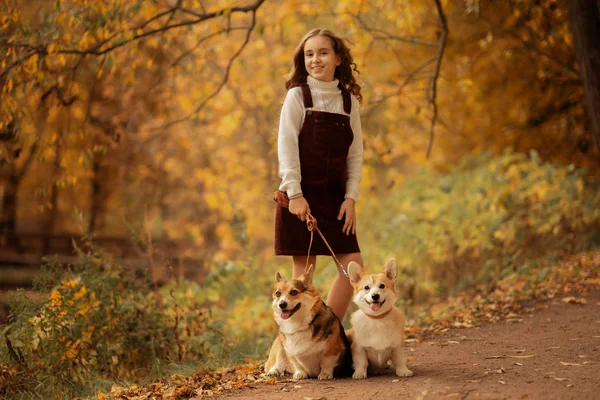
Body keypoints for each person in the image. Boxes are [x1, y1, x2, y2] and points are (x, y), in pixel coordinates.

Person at [274, 28, 364, 322]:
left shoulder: (349, 102)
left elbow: (355, 155)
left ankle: (329, 337)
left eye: (323, 53)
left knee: (352, 268)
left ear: (338, 59)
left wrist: (350, 198)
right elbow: (286, 146)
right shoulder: (297, 96)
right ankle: (299, 349)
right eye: (309, 54)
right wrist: (295, 194)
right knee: (301, 279)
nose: (315, 59)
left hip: (336, 200)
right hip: (301, 198)